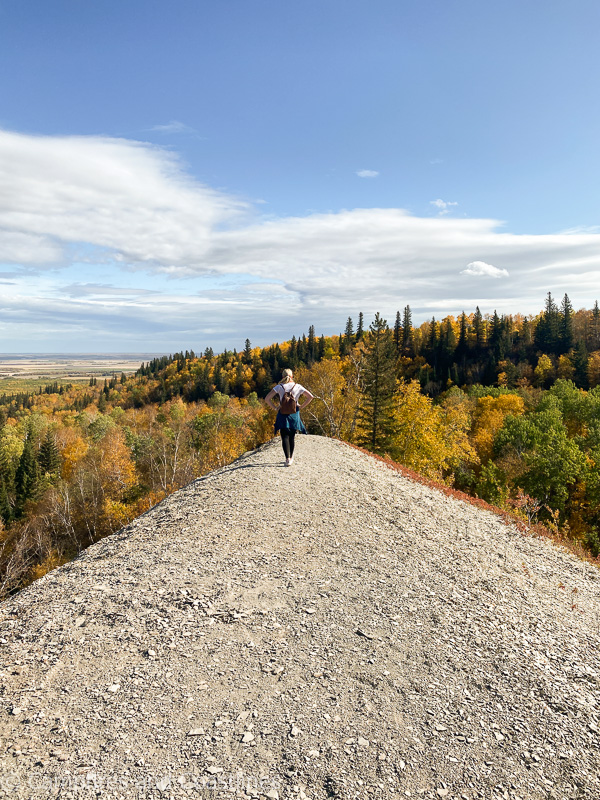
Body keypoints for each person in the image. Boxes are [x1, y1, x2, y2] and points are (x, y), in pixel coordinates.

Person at [265, 368, 314, 466]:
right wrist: (301, 406)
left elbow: (267, 399)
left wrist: (275, 408)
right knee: (292, 436)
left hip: (282, 413)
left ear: (282, 377)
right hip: (294, 413)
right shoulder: (298, 386)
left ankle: (287, 458)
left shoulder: (279, 387)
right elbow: (310, 397)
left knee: (284, 436)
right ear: (292, 376)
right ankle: (291, 458)